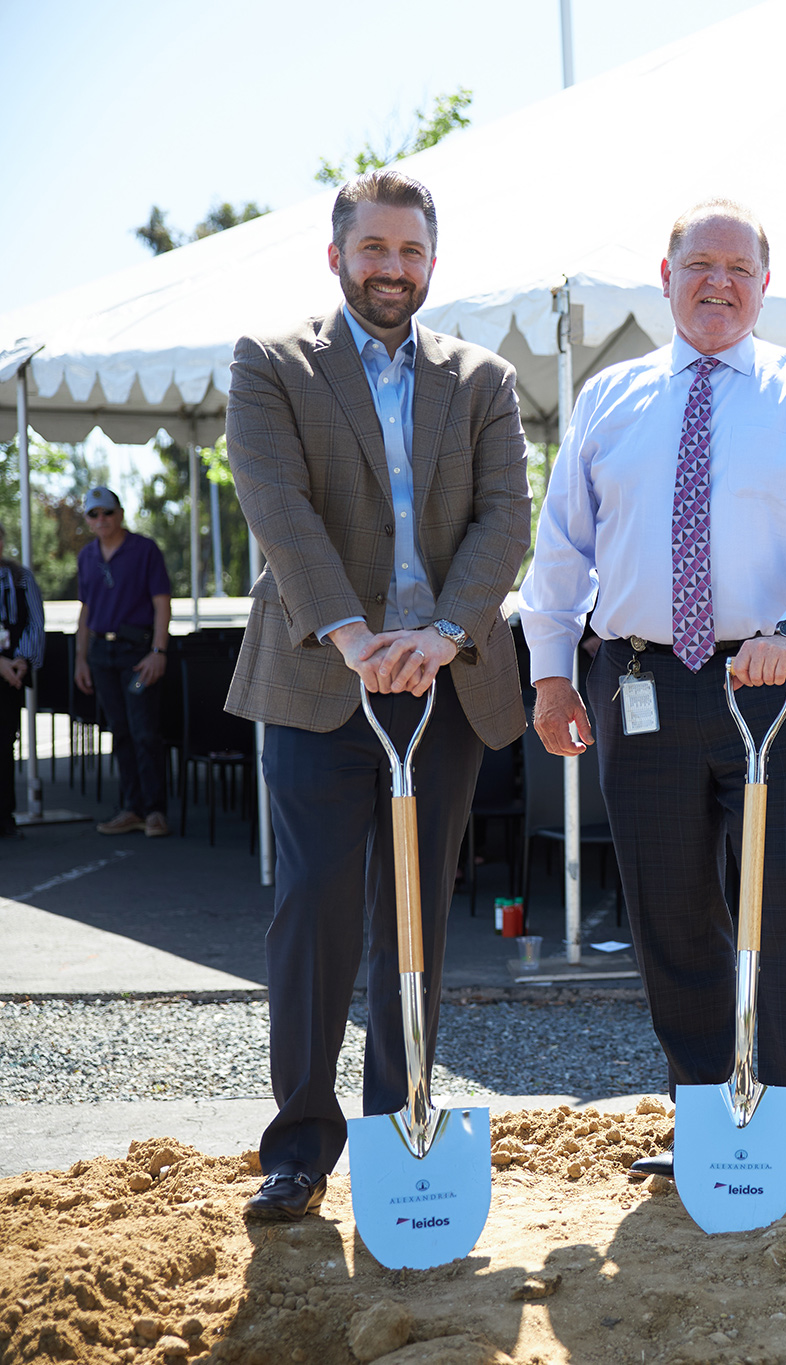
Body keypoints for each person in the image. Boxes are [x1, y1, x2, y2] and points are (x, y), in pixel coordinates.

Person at [522, 199, 786, 1203]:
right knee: (668, 906)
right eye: (699, 265)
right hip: (639, 680)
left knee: (785, 905)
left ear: (765, 284)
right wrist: (550, 671)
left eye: (738, 268)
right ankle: (709, 1116)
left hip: (773, 679)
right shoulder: (610, 397)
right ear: (666, 274)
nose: (718, 283)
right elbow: (562, 545)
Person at [225, 170, 532, 1222]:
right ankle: (300, 1149)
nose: (391, 268)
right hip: (323, 678)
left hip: (441, 684)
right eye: (373, 248)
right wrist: (355, 636)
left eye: (410, 251)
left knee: (416, 918)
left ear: (431, 262)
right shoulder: (272, 363)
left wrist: (441, 635)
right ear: (337, 256)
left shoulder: (482, 379)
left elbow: (504, 519)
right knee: (313, 913)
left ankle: (401, 1132)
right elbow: (278, 506)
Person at [71, 486, 172, 838]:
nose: (101, 519)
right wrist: (81, 658)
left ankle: (155, 811)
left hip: (137, 655)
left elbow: (162, 603)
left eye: (107, 512)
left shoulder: (144, 549)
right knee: (120, 731)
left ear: (120, 514)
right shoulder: (86, 556)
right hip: (101, 655)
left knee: (144, 731)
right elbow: (85, 611)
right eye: (93, 514)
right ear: (87, 520)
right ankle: (132, 808)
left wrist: (158, 651)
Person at [0, 521, 45, 839]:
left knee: (4, 745)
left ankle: (4, 816)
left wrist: (20, 662)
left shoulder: (20, 577)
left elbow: (35, 623)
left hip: (12, 677)